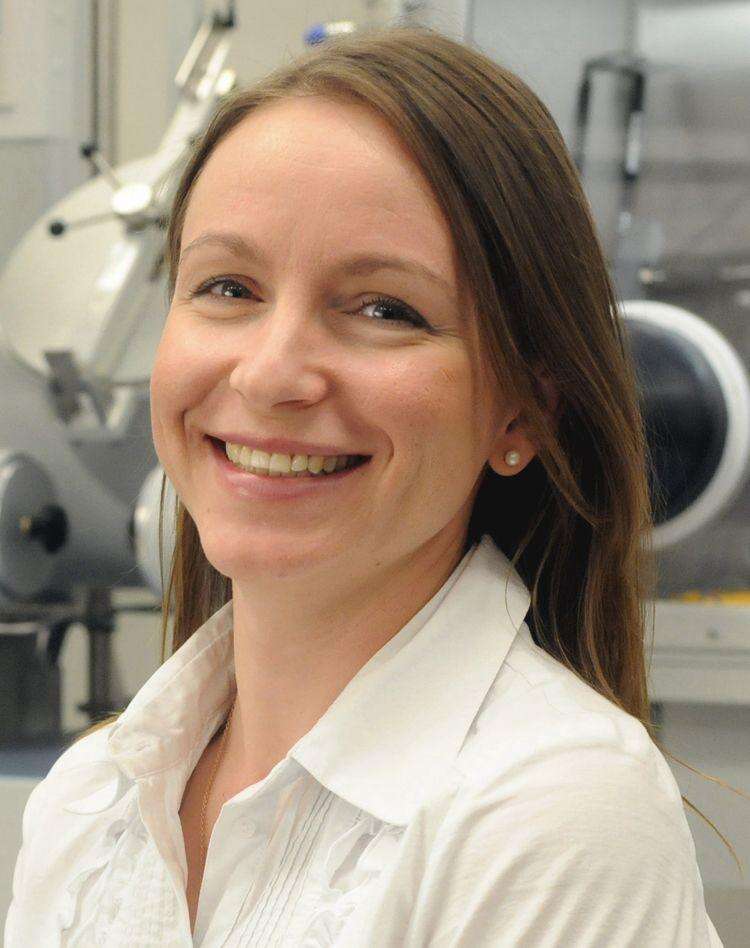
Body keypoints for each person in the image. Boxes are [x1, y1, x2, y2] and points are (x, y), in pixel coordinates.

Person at [6, 24, 723, 947]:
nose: (271, 374)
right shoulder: (89, 801)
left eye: (385, 308)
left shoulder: (553, 813)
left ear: (521, 415)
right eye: (228, 287)